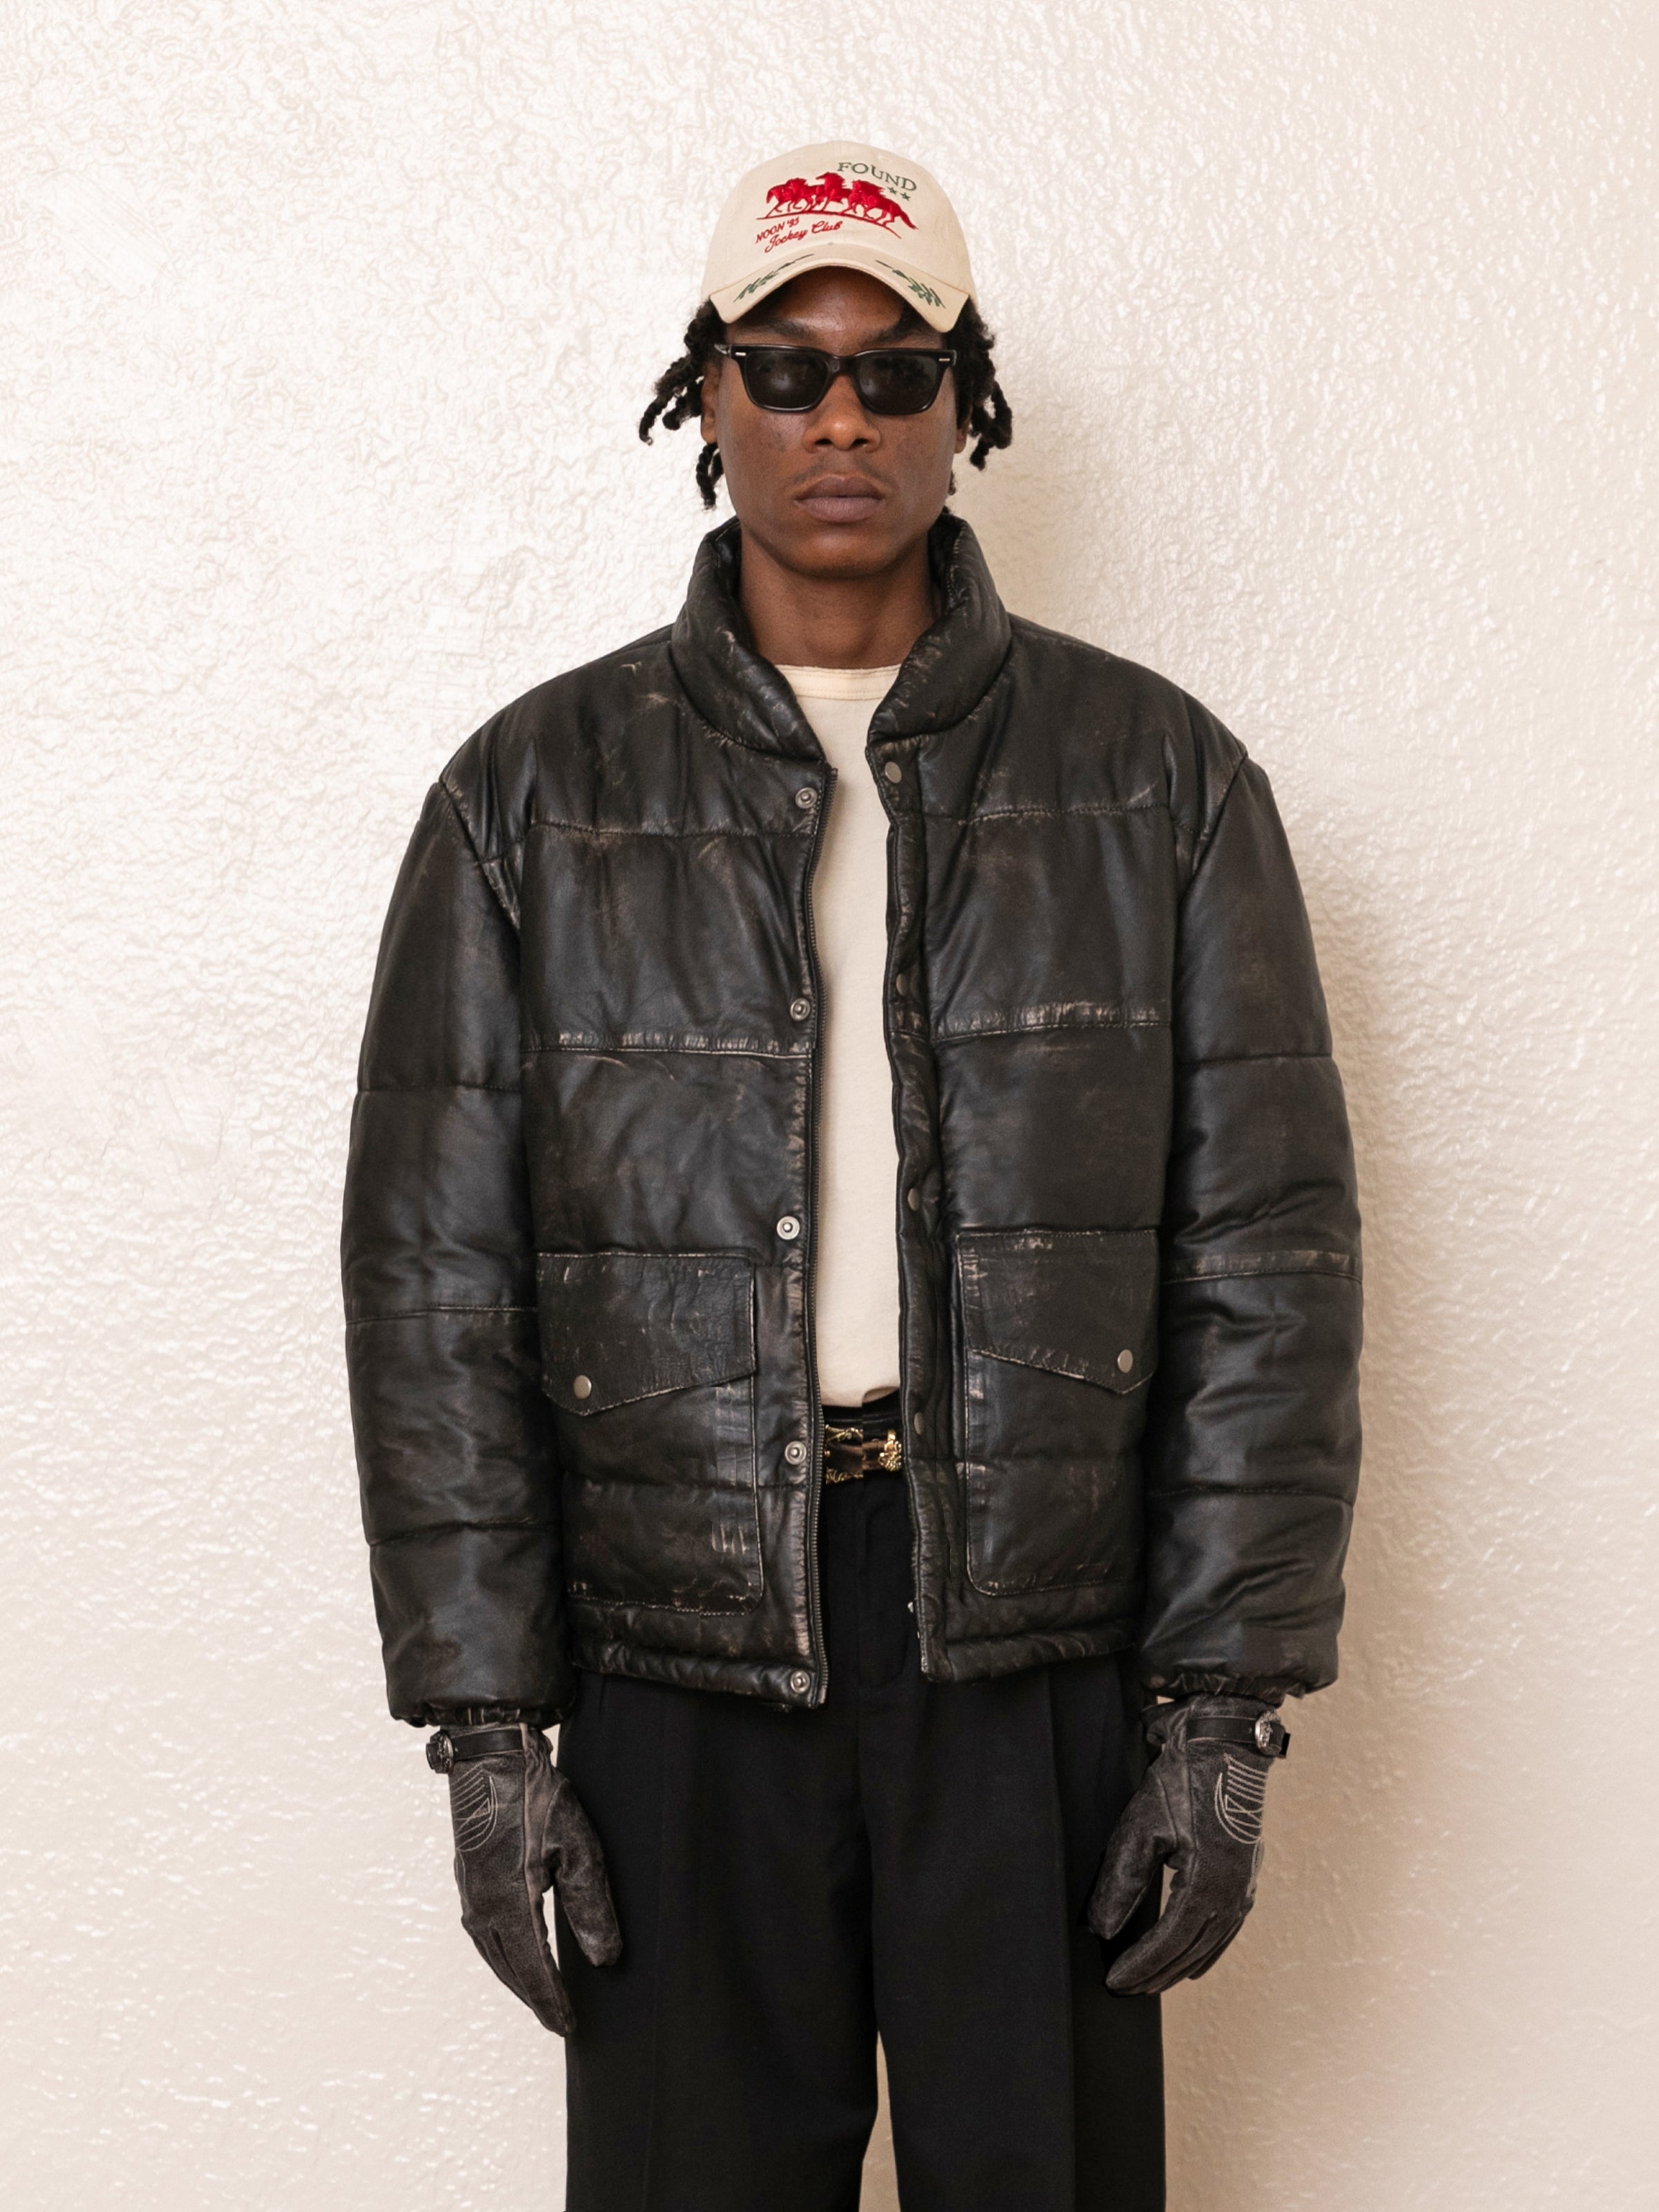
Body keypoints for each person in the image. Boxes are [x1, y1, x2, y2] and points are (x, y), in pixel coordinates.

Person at [341, 142, 1362, 2212]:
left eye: (894, 376)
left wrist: (1222, 1710)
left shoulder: (1158, 779)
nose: (837, 419)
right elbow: (434, 1279)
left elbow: (1271, 1258)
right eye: (784, 368)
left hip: (1037, 1654)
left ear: (964, 407)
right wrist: (488, 1733)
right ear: (701, 396)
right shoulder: (530, 796)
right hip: (672, 1656)